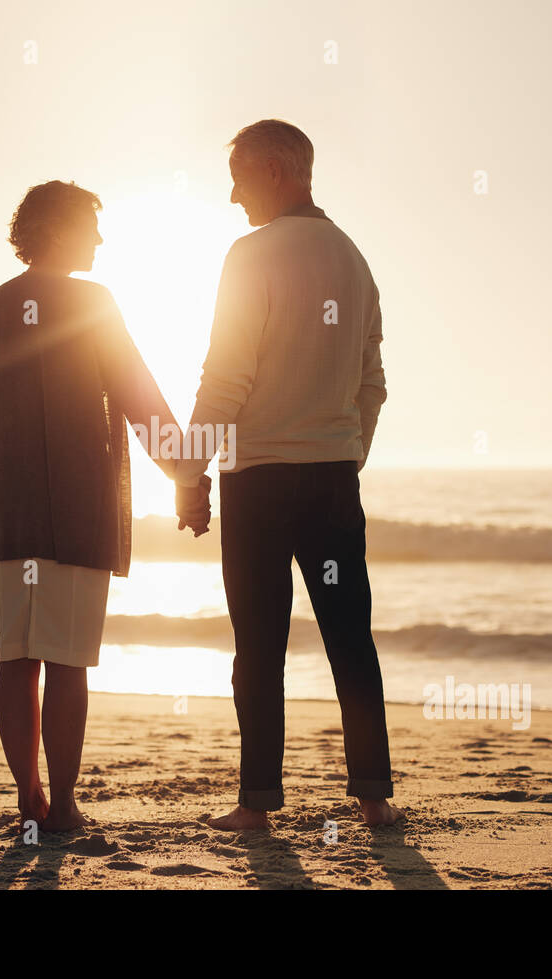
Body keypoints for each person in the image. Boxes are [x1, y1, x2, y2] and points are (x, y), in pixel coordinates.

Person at [173, 120, 398, 829]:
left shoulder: (251, 254)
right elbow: (373, 384)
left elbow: (227, 378)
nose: (233, 192)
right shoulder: (354, 259)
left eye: (239, 175)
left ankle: (257, 805)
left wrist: (188, 469)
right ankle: (374, 796)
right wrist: (343, 454)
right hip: (332, 480)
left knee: (260, 643)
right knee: (349, 636)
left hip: (261, 480)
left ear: (275, 169)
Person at [0, 180, 210, 831]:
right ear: (57, 229)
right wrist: (185, 477)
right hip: (79, 511)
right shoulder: (92, 302)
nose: (101, 239)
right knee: (67, 661)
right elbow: (139, 396)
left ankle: (29, 793)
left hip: (19, 516)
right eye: (91, 226)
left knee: (18, 658)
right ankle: (66, 803)